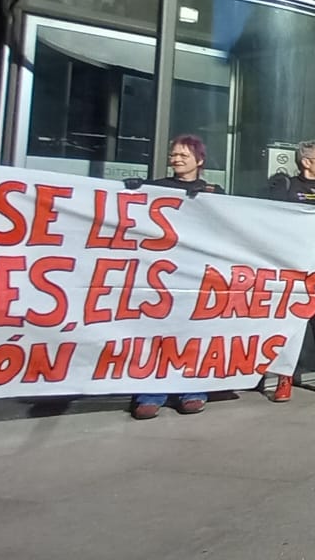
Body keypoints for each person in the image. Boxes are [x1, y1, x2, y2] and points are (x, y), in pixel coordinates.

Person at [126, 135, 224, 420]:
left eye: (183, 155)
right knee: (158, 332)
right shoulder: (156, 187)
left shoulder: (214, 192)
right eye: (174, 155)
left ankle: (192, 390)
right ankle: (150, 394)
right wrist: (128, 191)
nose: (177, 159)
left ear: (199, 160)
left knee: (192, 332)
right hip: (161, 274)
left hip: (195, 274)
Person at [265, 140, 315, 403]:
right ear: (306, 162)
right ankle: (284, 376)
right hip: (290, 265)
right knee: (289, 322)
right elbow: (271, 218)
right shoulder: (287, 187)